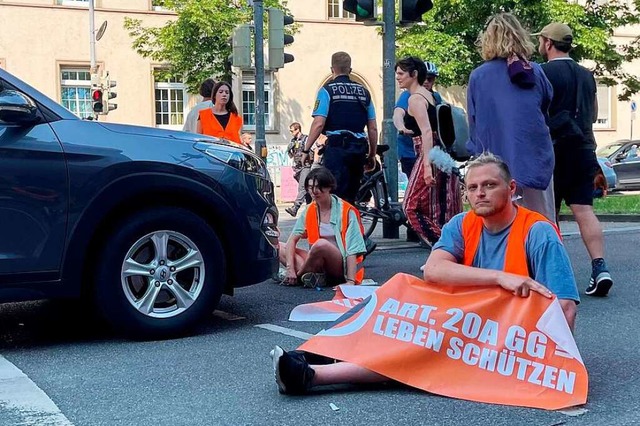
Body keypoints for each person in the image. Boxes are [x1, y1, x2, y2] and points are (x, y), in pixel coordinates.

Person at [270, 153, 579, 395]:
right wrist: (500, 278)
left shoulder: (537, 232)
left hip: (507, 339)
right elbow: (434, 269)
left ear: (511, 190)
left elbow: (565, 308)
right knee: (402, 293)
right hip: (464, 323)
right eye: (473, 188)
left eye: (489, 185)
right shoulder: (463, 224)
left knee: (423, 346)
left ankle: (313, 374)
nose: (480, 193)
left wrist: (542, 366)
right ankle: (319, 354)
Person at [536, 22, 614, 297]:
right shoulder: (586, 74)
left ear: (547, 43)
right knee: (584, 209)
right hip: (584, 148)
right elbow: (592, 114)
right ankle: (600, 267)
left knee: (548, 214)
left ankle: (553, 275)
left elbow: (537, 111)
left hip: (552, 148)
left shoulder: (541, 73)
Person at [466, 13, 556, 222]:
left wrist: (474, 152)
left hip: (496, 162)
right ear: (520, 36)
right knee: (541, 221)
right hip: (534, 159)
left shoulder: (479, 76)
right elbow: (545, 107)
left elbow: (474, 122)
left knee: (500, 223)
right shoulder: (534, 71)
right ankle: (543, 254)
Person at [395, 57, 462, 247]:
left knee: (410, 205)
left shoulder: (416, 98)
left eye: (401, 73)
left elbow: (426, 132)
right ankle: (448, 249)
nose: (398, 77)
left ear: (413, 74)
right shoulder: (427, 94)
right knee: (443, 207)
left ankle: (443, 245)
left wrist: (426, 167)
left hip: (429, 153)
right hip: (439, 153)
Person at [299, 51, 378, 204]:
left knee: (334, 195)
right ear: (350, 70)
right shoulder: (364, 93)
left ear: (332, 69)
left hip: (337, 149)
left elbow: (319, 123)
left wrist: (306, 149)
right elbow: (373, 128)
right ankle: (350, 225)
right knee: (352, 196)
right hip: (358, 149)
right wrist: (372, 154)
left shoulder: (327, 91)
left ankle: (337, 226)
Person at [277, 167, 366, 287]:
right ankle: (311, 277)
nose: (314, 191)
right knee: (278, 246)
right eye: (310, 187)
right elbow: (292, 240)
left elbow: (352, 250)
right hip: (317, 263)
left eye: (319, 187)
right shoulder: (309, 210)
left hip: (340, 265)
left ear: (329, 187)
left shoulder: (346, 211)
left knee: (321, 244)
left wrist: (350, 281)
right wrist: (289, 268)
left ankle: (298, 276)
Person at [197, 81, 243, 145]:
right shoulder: (204, 115)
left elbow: (238, 140)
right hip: (210, 153)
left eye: (227, 92)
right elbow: (198, 140)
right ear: (214, 95)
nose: (224, 94)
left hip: (231, 153)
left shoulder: (236, 117)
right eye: (221, 92)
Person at [285, 122, 311, 217]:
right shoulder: (293, 140)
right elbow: (292, 156)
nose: (291, 133)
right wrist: (289, 150)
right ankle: (311, 210)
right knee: (308, 191)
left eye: (292, 131)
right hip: (298, 167)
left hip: (306, 166)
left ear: (297, 130)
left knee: (302, 187)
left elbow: (312, 151)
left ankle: (295, 208)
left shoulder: (306, 139)